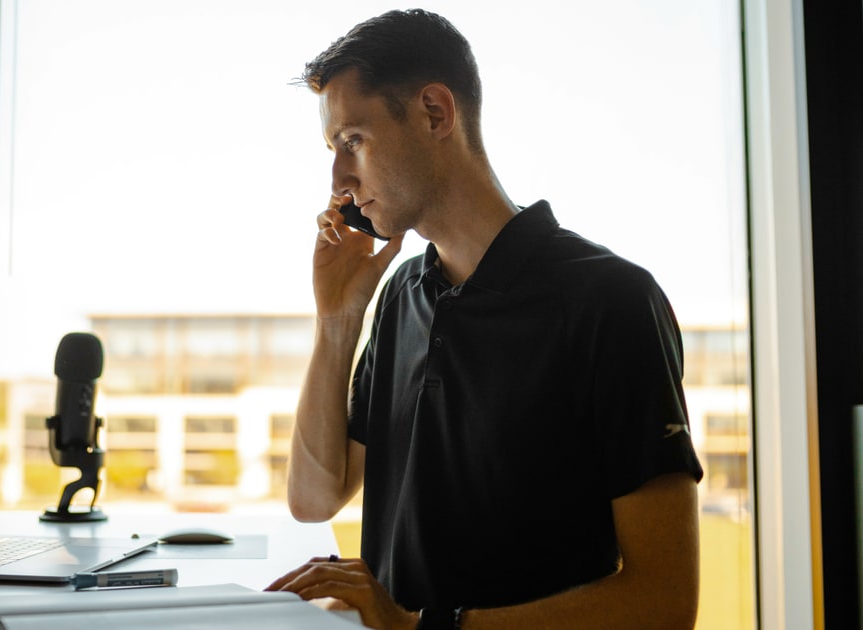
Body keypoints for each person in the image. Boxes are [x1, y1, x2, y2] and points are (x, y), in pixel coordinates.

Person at [264, 9, 705, 630]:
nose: (339, 179)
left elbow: (664, 600)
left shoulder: (612, 301)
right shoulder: (400, 297)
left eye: (353, 140)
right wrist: (337, 321)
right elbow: (313, 500)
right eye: (334, 149)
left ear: (434, 113)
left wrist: (424, 628)